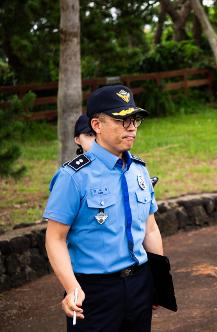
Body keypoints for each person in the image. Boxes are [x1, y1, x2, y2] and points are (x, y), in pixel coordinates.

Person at [44, 85, 163, 331]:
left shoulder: (139, 170)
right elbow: (55, 238)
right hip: (94, 292)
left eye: (135, 120)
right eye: (122, 120)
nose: (131, 127)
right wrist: (72, 288)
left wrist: (158, 282)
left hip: (139, 283)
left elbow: (150, 230)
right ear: (97, 125)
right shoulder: (73, 176)